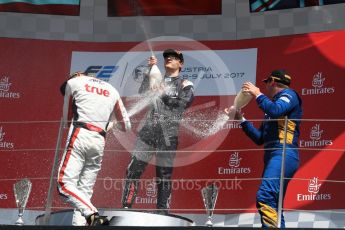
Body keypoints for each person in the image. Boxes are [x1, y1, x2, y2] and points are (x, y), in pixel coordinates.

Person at [226, 70, 302, 228]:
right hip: (273, 156)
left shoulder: (289, 95)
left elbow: (276, 111)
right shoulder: (272, 106)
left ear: (272, 81)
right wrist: (241, 119)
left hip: (283, 152)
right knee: (274, 204)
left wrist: (257, 94)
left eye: (266, 83)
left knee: (265, 195)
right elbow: (260, 138)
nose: (265, 87)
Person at [121, 49, 194, 214]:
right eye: (167, 56)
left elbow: (185, 103)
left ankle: (162, 212)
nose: (169, 58)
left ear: (180, 63)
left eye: (174, 57)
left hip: (168, 133)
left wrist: (164, 95)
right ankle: (126, 206)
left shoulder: (185, 83)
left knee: (163, 174)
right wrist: (150, 72)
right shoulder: (157, 77)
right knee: (133, 168)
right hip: (148, 130)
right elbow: (143, 93)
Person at [57, 71, 131, 226]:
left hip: (80, 135)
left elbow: (66, 121)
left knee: (64, 185)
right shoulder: (112, 90)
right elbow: (126, 126)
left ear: (77, 74)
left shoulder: (74, 83)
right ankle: (80, 224)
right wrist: (108, 124)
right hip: (99, 141)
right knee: (84, 192)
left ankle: (93, 214)